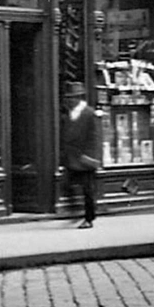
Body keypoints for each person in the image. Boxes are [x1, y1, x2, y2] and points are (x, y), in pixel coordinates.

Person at [61, 81, 101, 229]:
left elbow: (95, 137)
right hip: (72, 157)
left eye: (71, 98)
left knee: (88, 190)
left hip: (85, 158)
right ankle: (76, 209)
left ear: (78, 98)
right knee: (67, 185)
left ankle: (89, 218)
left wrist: (92, 157)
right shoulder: (70, 114)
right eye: (68, 98)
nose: (69, 101)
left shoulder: (89, 113)